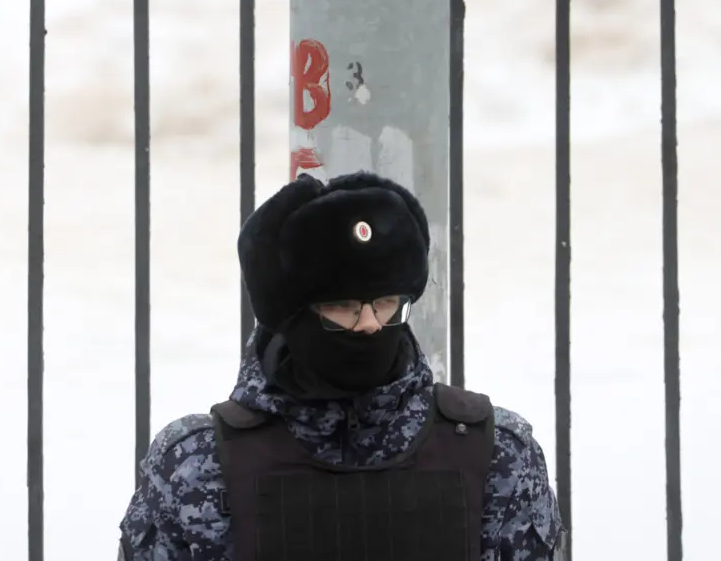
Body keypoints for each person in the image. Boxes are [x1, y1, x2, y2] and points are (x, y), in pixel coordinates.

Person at [118, 171, 567, 560]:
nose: (370, 324)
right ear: (291, 316)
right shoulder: (195, 465)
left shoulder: (498, 455)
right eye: (343, 307)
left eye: (387, 303)